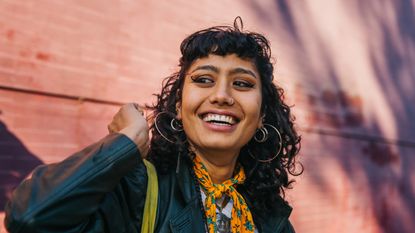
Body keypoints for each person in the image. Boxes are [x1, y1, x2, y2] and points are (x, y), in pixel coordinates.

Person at [4, 17, 301, 233]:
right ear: (177, 106)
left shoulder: (270, 215)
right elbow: (30, 218)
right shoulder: (136, 188)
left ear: (261, 114)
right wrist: (124, 144)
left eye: (242, 83)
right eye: (203, 80)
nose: (222, 95)